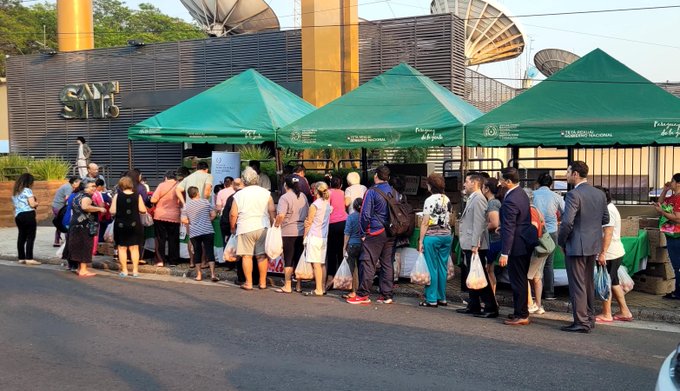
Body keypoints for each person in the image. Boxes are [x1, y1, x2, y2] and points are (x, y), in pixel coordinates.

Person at [558, 161, 609, 333]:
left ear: (575, 174)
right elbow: (605, 219)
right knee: (587, 282)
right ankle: (589, 316)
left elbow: (566, 223)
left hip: (576, 244)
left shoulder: (573, 195)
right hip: (593, 243)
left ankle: (581, 321)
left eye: (568, 171)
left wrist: (562, 241)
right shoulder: (599, 194)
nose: (566, 175)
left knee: (577, 284)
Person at [347, 165, 396, 305]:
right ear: (388, 177)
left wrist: (363, 233)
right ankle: (386, 294)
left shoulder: (371, 192)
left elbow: (365, 214)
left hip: (375, 231)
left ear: (376, 176)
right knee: (387, 263)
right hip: (391, 231)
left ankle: (363, 294)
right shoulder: (394, 191)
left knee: (367, 262)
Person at [498, 167, 538, 326]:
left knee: (518, 280)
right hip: (524, 240)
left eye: (501, 179)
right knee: (520, 278)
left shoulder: (510, 200)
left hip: (516, 244)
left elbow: (509, 227)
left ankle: (522, 314)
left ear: (508, 181)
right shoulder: (521, 193)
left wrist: (504, 252)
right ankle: (519, 311)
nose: (500, 182)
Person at [455, 173, 497, 316]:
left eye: (466, 181)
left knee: (480, 276)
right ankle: (474, 305)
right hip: (470, 243)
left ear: (474, 183)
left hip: (476, 245)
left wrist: (475, 244)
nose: (464, 184)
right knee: (471, 275)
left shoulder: (478, 199)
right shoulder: (473, 198)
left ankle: (491, 307)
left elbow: (479, 223)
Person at [230, 167, 276, 290]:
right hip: (263, 226)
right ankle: (262, 283)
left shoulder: (239, 194)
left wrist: (232, 227)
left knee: (246, 256)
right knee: (261, 256)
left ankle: (249, 283)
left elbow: (233, 213)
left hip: (245, 227)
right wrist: (273, 225)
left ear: (244, 180)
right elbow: (272, 210)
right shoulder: (266, 193)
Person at [594, 186, 633, 322]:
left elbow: (608, 233)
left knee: (607, 282)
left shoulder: (608, 210)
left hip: (610, 252)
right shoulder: (610, 207)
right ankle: (625, 311)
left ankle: (607, 313)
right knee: (614, 281)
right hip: (614, 251)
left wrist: (602, 253)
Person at [418, 173, 455, 308]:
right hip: (446, 235)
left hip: (432, 236)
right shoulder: (447, 199)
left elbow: (425, 222)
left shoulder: (429, 200)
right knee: (442, 267)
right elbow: (450, 218)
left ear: (430, 186)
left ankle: (431, 298)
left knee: (431, 267)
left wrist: (421, 240)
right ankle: (442, 297)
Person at [63, 181, 106, 277]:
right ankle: (83, 269)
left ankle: (79, 268)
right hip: (84, 226)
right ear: (85, 188)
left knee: (79, 246)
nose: (94, 188)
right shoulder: (86, 197)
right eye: (92, 186)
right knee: (85, 246)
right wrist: (99, 209)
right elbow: (85, 207)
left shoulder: (77, 195)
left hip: (75, 224)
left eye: (95, 186)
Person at [532, 173, 565, 301]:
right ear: (551, 184)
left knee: (534, 263)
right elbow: (566, 212)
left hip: (535, 231)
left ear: (538, 183)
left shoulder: (533, 195)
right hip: (551, 232)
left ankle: (534, 292)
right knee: (548, 264)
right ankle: (549, 293)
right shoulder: (556, 197)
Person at [274, 175, 308, 293]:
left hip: (288, 231)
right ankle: (298, 285)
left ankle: (287, 285)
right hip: (301, 230)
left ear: (285, 185)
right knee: (298, 258)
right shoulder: (303, 196)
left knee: (288, 259)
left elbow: (281, 215)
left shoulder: (284, 198)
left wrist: (276, 225)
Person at [110, 176, 148, 278]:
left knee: (122, 248)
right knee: (134, 248)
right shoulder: (137, 196)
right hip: (134, 224)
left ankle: (124, 271)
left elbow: (112, 211)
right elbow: (143, 210)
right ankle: (135, 271)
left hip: (121, 225)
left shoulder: (117, 196)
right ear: (131, 184)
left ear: (121, 185)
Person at [182, 186, 218, 282]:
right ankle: (213, 275)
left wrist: (192, 222)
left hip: (195, 232)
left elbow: (183, 220)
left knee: (197, 252)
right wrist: (207, 220)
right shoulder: (205, 202)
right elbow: (214, 214)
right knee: (209, 251)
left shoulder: (186, 206)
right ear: (197, 193)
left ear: (189, 196)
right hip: (207, 230)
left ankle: (198, 275)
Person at [303, 181, 332, 296]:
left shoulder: (314, 205)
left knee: (316, 264)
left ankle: (318, 288)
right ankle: (322, 287)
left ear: (315, 190)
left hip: (314, 236)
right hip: (324, 236)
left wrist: (304, 237)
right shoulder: (327, 204)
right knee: (322, 264)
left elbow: (308, 223)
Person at [655, 173, 680, 300]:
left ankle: (678, 292)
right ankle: (677, 290)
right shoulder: (672, 198)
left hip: (677, 236)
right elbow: (659, 204)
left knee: (678, 265)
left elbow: (678, 218)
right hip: (671, 235)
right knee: (676, 265)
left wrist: (662, 212)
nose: (671, 183)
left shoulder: (679, 198)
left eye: (673, 181)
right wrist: (665, 190)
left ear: (678, 183)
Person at [151, 170, 181, 267]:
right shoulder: (179, 185)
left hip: (160, 216)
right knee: (174, 239)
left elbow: (153, 199)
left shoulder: (161, 185)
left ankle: (160, 260)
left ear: (166, 177)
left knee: (160, 239)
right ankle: (173, 261)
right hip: (175, 216)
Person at [525, 188, 548, 315]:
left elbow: (533, 227)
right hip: (542, 247)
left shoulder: (530, 210)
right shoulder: (536, 209)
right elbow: (543, 223)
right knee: (537, 277)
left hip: (536, 247)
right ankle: (538, 305)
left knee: (526, 276)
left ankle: (531, 304)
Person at [12, 173, 40, 266]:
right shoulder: (27, 190)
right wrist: (37, 203)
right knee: (30, 237)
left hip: (18, 215)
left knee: (21, 236)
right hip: (28, 214)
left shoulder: (16, 191)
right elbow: (32, 204)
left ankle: (21, 258)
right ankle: (29, 258)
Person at [326, 176, 348, 290]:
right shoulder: (343, 192)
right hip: (343, 222)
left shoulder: (328, 193)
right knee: (340, 250)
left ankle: (330, 277)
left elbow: (327, 208)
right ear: (340, 185)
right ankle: (341, 277)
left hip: (332, 223)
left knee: (331, 251)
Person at [482, 177, 501, 294]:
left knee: (488, 270)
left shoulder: (493, 203)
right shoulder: (495, 201)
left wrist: (481, 229)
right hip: (495, 240)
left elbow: (494, 223)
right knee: (490, 270)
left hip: (493, 241)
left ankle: (490, 298)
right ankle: (492, 298)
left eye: (483, 186)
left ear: (487, 188)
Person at [52, 175, 81, 247]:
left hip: (57, 206)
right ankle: (67, 241)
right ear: (74, 182)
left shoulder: (68, 186)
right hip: (59, 207)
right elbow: (67, 199)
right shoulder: (69, 187)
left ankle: (57, 241)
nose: (79, 185)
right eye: (79, 183)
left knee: (60, 223)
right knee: (65, 223)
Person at [343, 198, 363, 300]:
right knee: (361, 268)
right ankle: (361, 290)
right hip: (363, 245)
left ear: (354, 207)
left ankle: (354, 291)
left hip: (352, 245)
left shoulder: (351, 217)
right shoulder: (365, 217)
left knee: (353, 269)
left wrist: (344, 246)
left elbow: (347, 233)